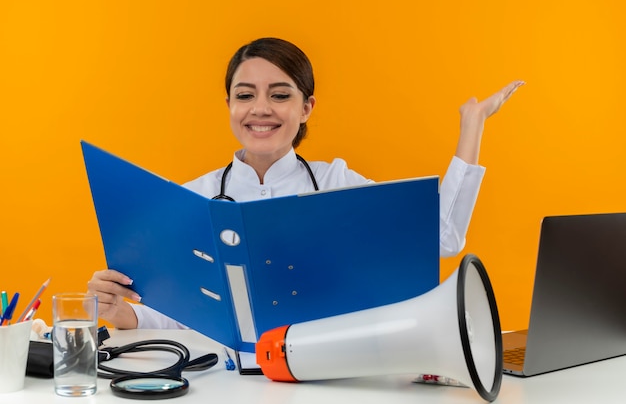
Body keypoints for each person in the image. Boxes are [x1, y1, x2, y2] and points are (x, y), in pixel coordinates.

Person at [87, 37, 524, 330]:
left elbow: (442, 238)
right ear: (228, 105)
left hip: (322, 378)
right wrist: (126, 315)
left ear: (307, 107)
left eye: (280, 94)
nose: (261, 109)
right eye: (245, 95)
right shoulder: (191, 198)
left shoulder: (337, 181)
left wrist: (473, 126)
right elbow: (188, 316)